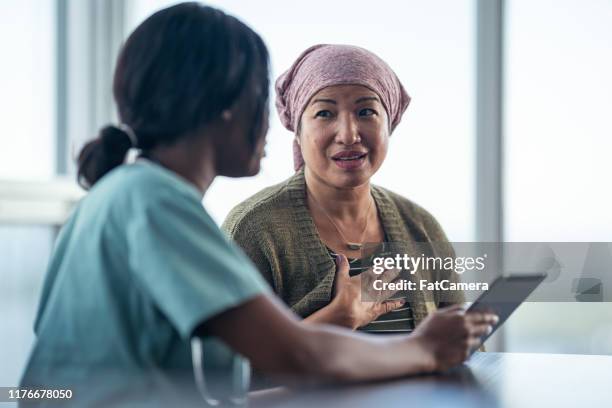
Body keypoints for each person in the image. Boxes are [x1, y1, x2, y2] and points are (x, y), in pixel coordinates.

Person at [20, 3, 496, 407]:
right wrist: (423, 350)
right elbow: (295, 355)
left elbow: (228, 377)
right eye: (259, 95)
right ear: (224, 105)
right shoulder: (154, 204)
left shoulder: (122, 195)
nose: (272, 121)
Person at [223, 44, 464, 334]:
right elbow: (228, 370)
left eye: (366, 111)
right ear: (297, 131)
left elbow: (466, 353)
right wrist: (336, 320)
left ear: (390, 124)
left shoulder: (422, 226)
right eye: (325, 113)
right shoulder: (253, 229)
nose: (349, 134)